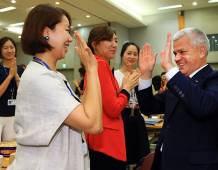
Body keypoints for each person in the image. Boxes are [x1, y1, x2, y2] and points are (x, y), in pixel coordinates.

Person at [7, 4, 102, 170]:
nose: (71, 38)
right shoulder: (41, 78)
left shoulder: (54, 75)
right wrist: (92, 70)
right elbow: (93, 124)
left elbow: (79, 109)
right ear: (46, 32)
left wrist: (90, 70)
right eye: (66, 30)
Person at [136, 27, 218, 170]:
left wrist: (170, 69)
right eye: (175, 53)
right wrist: (145, 75)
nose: (176, 58)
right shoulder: (179, 83)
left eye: (182, 52)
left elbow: (203, 105)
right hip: (165, 161)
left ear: (201, 51)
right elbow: (148, 107)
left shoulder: (215, 78)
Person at [84, 25, 141, 170]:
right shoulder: (100, 65)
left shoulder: (98, 65)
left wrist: (123, 87)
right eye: (109, 40)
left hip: (100, 140)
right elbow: (114, 109)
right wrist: (126, 89)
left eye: (115, 40)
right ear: (95, 44)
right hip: (106, 142)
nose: (114, 45)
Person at [114, 41, 150, 169]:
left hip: (138, 118)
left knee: (141, 156)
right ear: (122, 55)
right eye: (128, 53)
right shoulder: (115, 75)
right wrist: (126, 85)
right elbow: (113, 98)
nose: (132, 57)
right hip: (122, 118)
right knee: (123, 156)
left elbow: (145, 99)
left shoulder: (140, 75)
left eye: (135, 54)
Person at [0, 37, 24, 142]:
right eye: (5, 48)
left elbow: (24, 93)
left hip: (13, 115)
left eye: (12, 47)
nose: (9, 51)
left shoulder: (20, 69)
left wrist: (16, 76)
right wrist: (9, 76)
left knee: (9, 149)